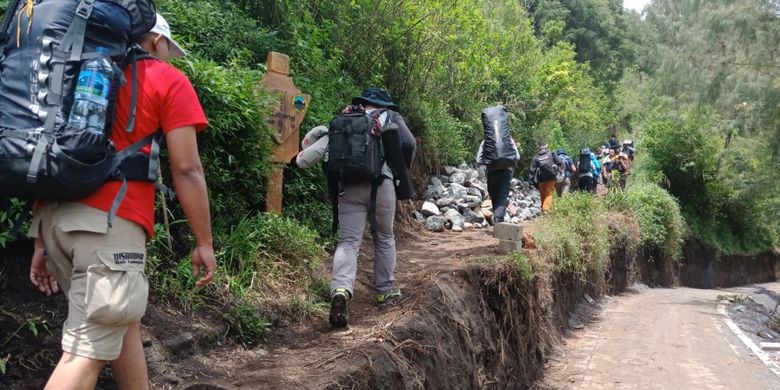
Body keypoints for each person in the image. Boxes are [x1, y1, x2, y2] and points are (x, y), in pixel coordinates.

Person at [28, 14, 216, 389]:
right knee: (86, 353)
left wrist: (40, 242)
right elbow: (187, 169)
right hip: (108, 228)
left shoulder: (72, 73)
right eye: (167, 51)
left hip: (54, 222)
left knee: (120, 323)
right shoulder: (166, 78)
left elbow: (50, 153)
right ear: (157, 42)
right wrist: (204, 243)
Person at [296, 88, 416, 328]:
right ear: (385, 104)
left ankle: (340, 289)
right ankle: (385, 290)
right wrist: (401, 170)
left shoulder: (347, 120)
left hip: (349, 187)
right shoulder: (391, 117)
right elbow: (409, 143)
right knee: (384, 237)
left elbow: (304, 159)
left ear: (362, 102)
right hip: (382, 184)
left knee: (348, 241)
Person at [476, 138, 520, 223]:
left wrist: (486, 163)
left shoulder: (486, 141)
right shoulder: (509, 140)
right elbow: (517, 157)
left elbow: (478, 159)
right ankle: (499, 221)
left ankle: (498, 220)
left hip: (492, 172)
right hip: (506, 171)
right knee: (502, 196)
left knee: (494, 196)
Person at [530, 143, 562, 212]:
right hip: (551, 177)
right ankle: (545, 209)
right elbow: (560, 161)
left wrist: (531, 181)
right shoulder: (551, 153)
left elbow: (532, 170)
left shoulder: (536, 157)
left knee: (542, 194)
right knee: (548, 194)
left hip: (541, 179)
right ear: (546, 148)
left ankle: (543, 208)